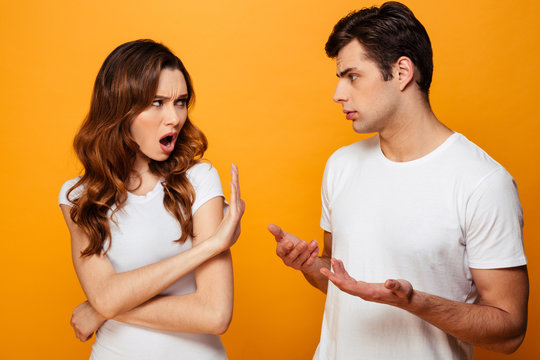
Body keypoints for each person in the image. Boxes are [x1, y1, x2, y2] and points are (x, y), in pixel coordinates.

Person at [269, 2, 528, 359]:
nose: (338, 94)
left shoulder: (482, 182)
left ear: (402, 71)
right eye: (339, 78)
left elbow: (510, 331)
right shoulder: (341, 166)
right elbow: (342, 278)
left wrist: (414, 301)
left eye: (353, 76)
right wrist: (310, 266)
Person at [59, 39, 245, 360]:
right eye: (157, 102)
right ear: (119, 108)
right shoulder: (79, 197)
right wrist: (209, 247)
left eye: (181, 101)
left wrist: (104, 309)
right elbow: (104, 294)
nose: (174, 118)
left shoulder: (198, 180)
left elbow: (214, 314)